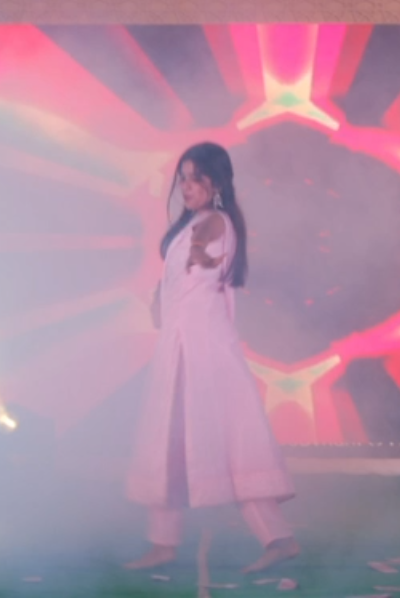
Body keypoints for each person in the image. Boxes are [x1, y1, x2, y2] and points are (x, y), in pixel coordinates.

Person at [123, 142, 300, 574]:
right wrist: (160, 299)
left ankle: (279, 540)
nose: (187, 186)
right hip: (180, 348)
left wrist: (199, 250)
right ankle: (163, 542)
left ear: (216, 183)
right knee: (169, 442)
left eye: (196, 178)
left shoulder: (216, 222)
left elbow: (206, 242)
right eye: (182, 179)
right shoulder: (191, 225)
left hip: (204, 352)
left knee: (229, 444)